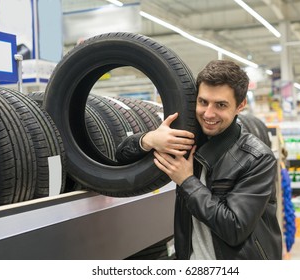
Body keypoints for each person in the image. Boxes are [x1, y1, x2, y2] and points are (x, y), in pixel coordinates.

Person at [116, 60, 282, 260]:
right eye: (203, 102)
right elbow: (122, 157)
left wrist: (187, 182)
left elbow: (234, 228)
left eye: (220, 105)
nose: (208, 114)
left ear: (241, 105)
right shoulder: (186, 142)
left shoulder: (258, 159)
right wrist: (148, 139)